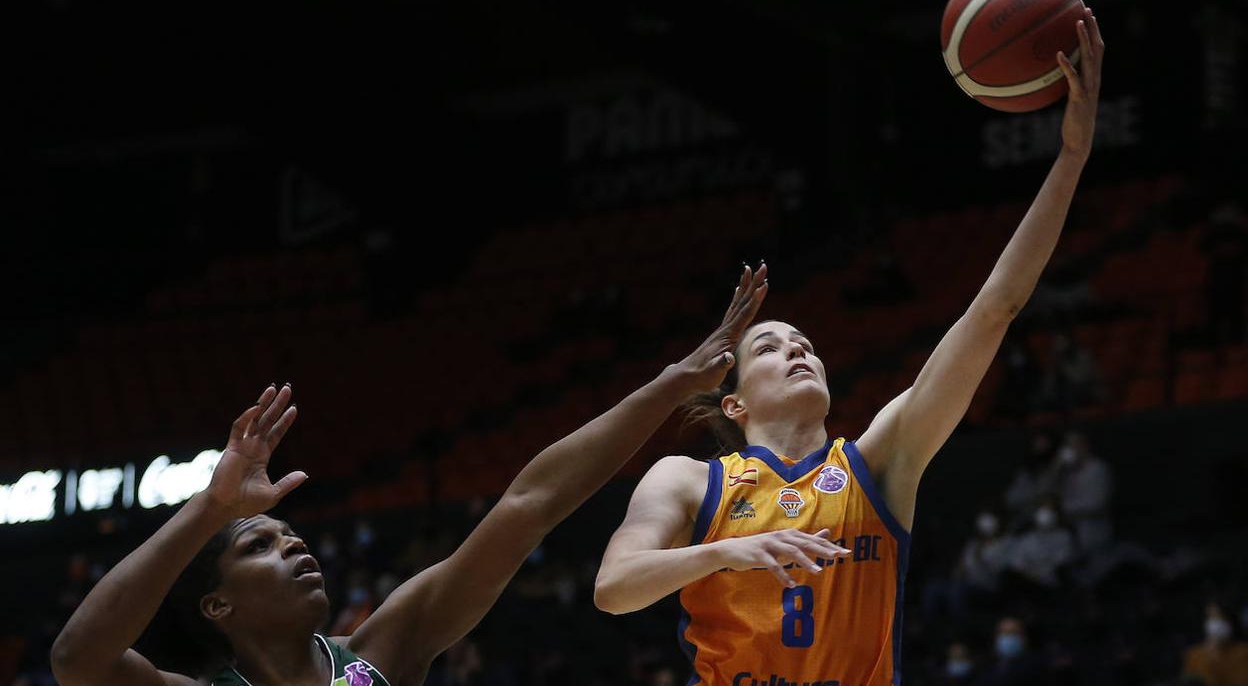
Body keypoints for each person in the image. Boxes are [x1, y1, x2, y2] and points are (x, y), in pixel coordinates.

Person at [593, 11, 1106, 686]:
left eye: (806, 343)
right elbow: (615, 587)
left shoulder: (882, 460)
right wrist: (726, 553)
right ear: (737, 402)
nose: (799, 350)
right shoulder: (689, 481)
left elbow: (993, 312)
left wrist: (1070, 158)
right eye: (772, 346)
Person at [50, 263, 770, 686]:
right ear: (217, 607)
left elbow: (531, 503)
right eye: (259, 546)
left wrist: (669, 386)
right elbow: (78, 659)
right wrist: (209, 509)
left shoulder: (383, 651)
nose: (295, 547)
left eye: (288, 535)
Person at [1181, 602, 1248, 686]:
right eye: (1209, 617)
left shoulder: (1244, 653)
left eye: (1218, 617)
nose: (1214, 623)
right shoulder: (1194, 655)